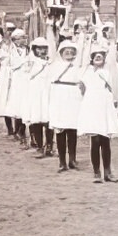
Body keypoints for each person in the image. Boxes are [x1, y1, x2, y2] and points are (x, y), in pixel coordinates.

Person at [77, 43, 118, 184]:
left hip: (105, 107)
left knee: (105, 141)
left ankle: (108, 172)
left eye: (101, 56)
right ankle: (97, 172)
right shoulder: (86, 73)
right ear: (91, 58)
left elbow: (111, 89)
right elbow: (82, 90)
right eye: (95, 56)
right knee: (95, 141)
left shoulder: (107, 72)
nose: (98, 57)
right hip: (92, 107)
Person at [48, 38, 85, 173]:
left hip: (73, 97)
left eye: (71, 51)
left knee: (72, 129)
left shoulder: (78, 67)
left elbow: (82, 82)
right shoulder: (55, 66)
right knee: (60, 129)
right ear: (61, 53)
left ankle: (72, 159)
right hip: (59, 97)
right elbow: (50, 82)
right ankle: (62, 161)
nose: (69, 54)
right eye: (66, 51)